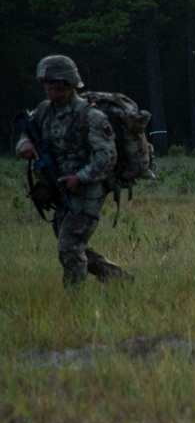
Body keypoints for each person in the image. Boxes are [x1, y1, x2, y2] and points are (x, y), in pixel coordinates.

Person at [16, 55, 133, 289]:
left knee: (69, 247)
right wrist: (24, 144)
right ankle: (120, 280)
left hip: (89, 189)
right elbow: (27, 132)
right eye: (45, 82)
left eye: (54, 82)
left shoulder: (90, 116)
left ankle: (73, 301)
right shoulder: (44, 111)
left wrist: (80, 178)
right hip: (59, 187)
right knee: (71, 243)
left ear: (68, 83)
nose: (48, 87)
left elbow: (107, 156)